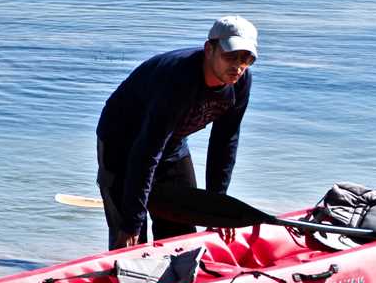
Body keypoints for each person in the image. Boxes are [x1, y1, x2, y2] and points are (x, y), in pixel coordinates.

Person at [95, 16, 257, 250]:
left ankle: (177, 282)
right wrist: (131, 222)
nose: (238, 66)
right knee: (131, 240)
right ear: (209, 49)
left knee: (180, 235)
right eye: (230, 56)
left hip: (172, 143)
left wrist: (220, 210)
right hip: (121, 145)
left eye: (247, 58)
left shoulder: (240, 83)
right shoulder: (178, 80)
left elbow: (225, 143)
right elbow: (146, 152)